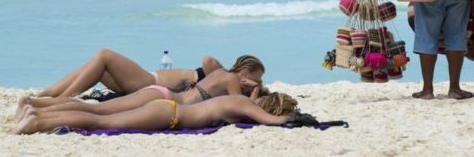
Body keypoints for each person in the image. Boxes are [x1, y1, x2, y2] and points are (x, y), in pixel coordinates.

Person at [16, 61, 265, 121]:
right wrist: (254, 93)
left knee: (99, 109)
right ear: (245, 73)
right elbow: (241, 112)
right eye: (256, 78)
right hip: (158, 92)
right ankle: (41, 104)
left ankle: (37, 104)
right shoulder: (229, 78)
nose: (255, 83)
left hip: (158, 92)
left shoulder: (221, 79)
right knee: (99, 112)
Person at [15, 92, 305, 134]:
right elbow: (275, 121)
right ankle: (37, 121)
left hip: (168, 109)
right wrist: (299, 119)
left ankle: (36, 112)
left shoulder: (240, 99)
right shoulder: (246, 106)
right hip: (170, 116)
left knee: (99, 114)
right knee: (100, 120)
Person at [36, 49, 238, 98]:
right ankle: (44, 97)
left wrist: (232, 73)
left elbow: (208, 59)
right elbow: (208, 60)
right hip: (143, 80)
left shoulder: (221, 77)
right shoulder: (220, 79)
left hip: (146, 82)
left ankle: (61, 99)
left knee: (104, 55)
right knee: (91, 69)